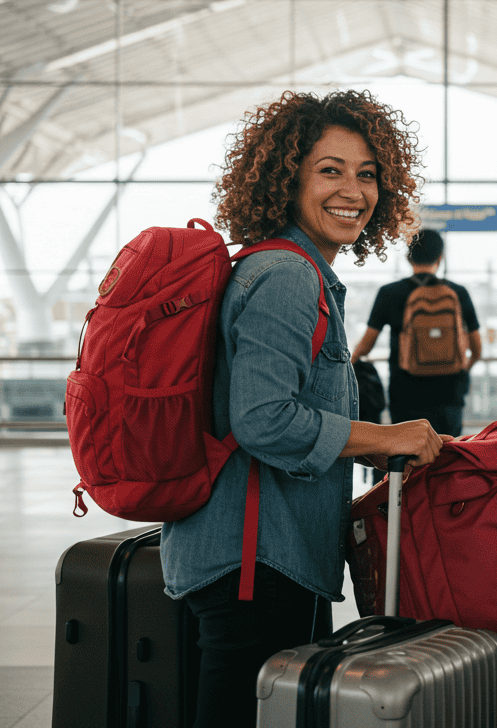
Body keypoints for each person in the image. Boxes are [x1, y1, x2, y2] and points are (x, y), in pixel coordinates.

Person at [159, 89, 448, 728]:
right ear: (285, 179)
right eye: (330, 170)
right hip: (254, 558)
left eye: (368, 174)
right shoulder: (289, 276)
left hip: (259, 550)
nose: (354, 189)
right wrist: (381, 437)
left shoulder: (286, 268)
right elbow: (262, 418)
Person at [352, 228, 483, 439]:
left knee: (406, 459)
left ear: (408, 257)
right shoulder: (458, 293)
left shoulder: (390, 293)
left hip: (405, 392)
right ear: (440, 257)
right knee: (447, 457)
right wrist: (462, 370)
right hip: (449, 393)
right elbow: (477, 350)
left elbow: (366, 344)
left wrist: (351, 364)